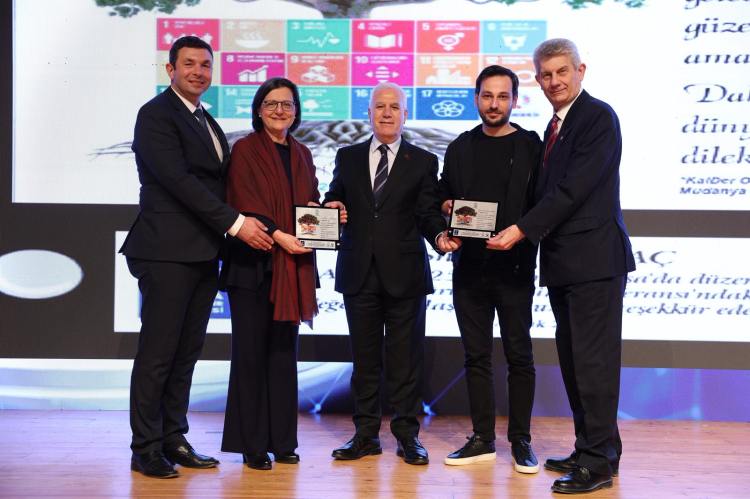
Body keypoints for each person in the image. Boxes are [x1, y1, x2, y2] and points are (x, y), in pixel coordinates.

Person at [121, 36, 273, 479]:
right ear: (170, 69)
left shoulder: (205, 118)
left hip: (204, 252)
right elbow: (178, 181)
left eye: (205, 65)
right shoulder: (155, 114)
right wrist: (236, 223)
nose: (198, 72)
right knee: (158, 354)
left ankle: (173, 438)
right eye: (188, 64)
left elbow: (221, 184)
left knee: (186, 353)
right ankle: (145, 448)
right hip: (166, 251)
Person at [493, 38, 636, 494]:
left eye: (562, 71)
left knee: (594, 366)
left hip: (594, 263)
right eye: (546, 74)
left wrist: (519, 230)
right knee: (576, 366)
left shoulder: (597, 117)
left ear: (580, 71)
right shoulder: (555, 126)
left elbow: (572, 190)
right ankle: (596, 448)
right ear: (537, 80)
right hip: (564, 265)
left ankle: (597, 465)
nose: (555, 81)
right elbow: (543, 192)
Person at [323, 82, 459, 465]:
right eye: (380, 106)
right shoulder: (347, 156)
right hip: (358, 273)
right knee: (364, 362)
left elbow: (427, 212)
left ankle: (407, 436)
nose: (387, 113)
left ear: (405, 114)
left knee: (405, 362)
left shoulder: (423, 160)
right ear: (368, 113)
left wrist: (439, 236)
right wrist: (331, 206)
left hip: (406, 275)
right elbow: (334, 197)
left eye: (394, 107)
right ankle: (365, 435)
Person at [219, 77, 343, 470]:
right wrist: (279, 236)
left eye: (287, 104)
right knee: (251, 356)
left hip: (292, 267)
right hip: (252, 267)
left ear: (296, 111)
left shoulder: (303, 153)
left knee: (283, 356)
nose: (279, 110)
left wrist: (326, 211)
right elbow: (242, 201)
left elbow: (308, 202)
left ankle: (283, 441)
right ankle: (252, 444)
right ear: (258, 109)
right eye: (271, 103)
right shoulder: (245, 149)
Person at [438, 66, 542, 472]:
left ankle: (521, 440)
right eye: (487, 96)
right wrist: (446, 205)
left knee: (520, 356)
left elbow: (544, 202)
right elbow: (443, 193)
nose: (494, 104)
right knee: (476, 357)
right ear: (476, 98)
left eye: (502, 96)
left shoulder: (532, 146)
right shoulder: (460, 146)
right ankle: (482, 438)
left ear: (514, 100)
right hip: (469, 269)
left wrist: (521, 234)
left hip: (515, 267)